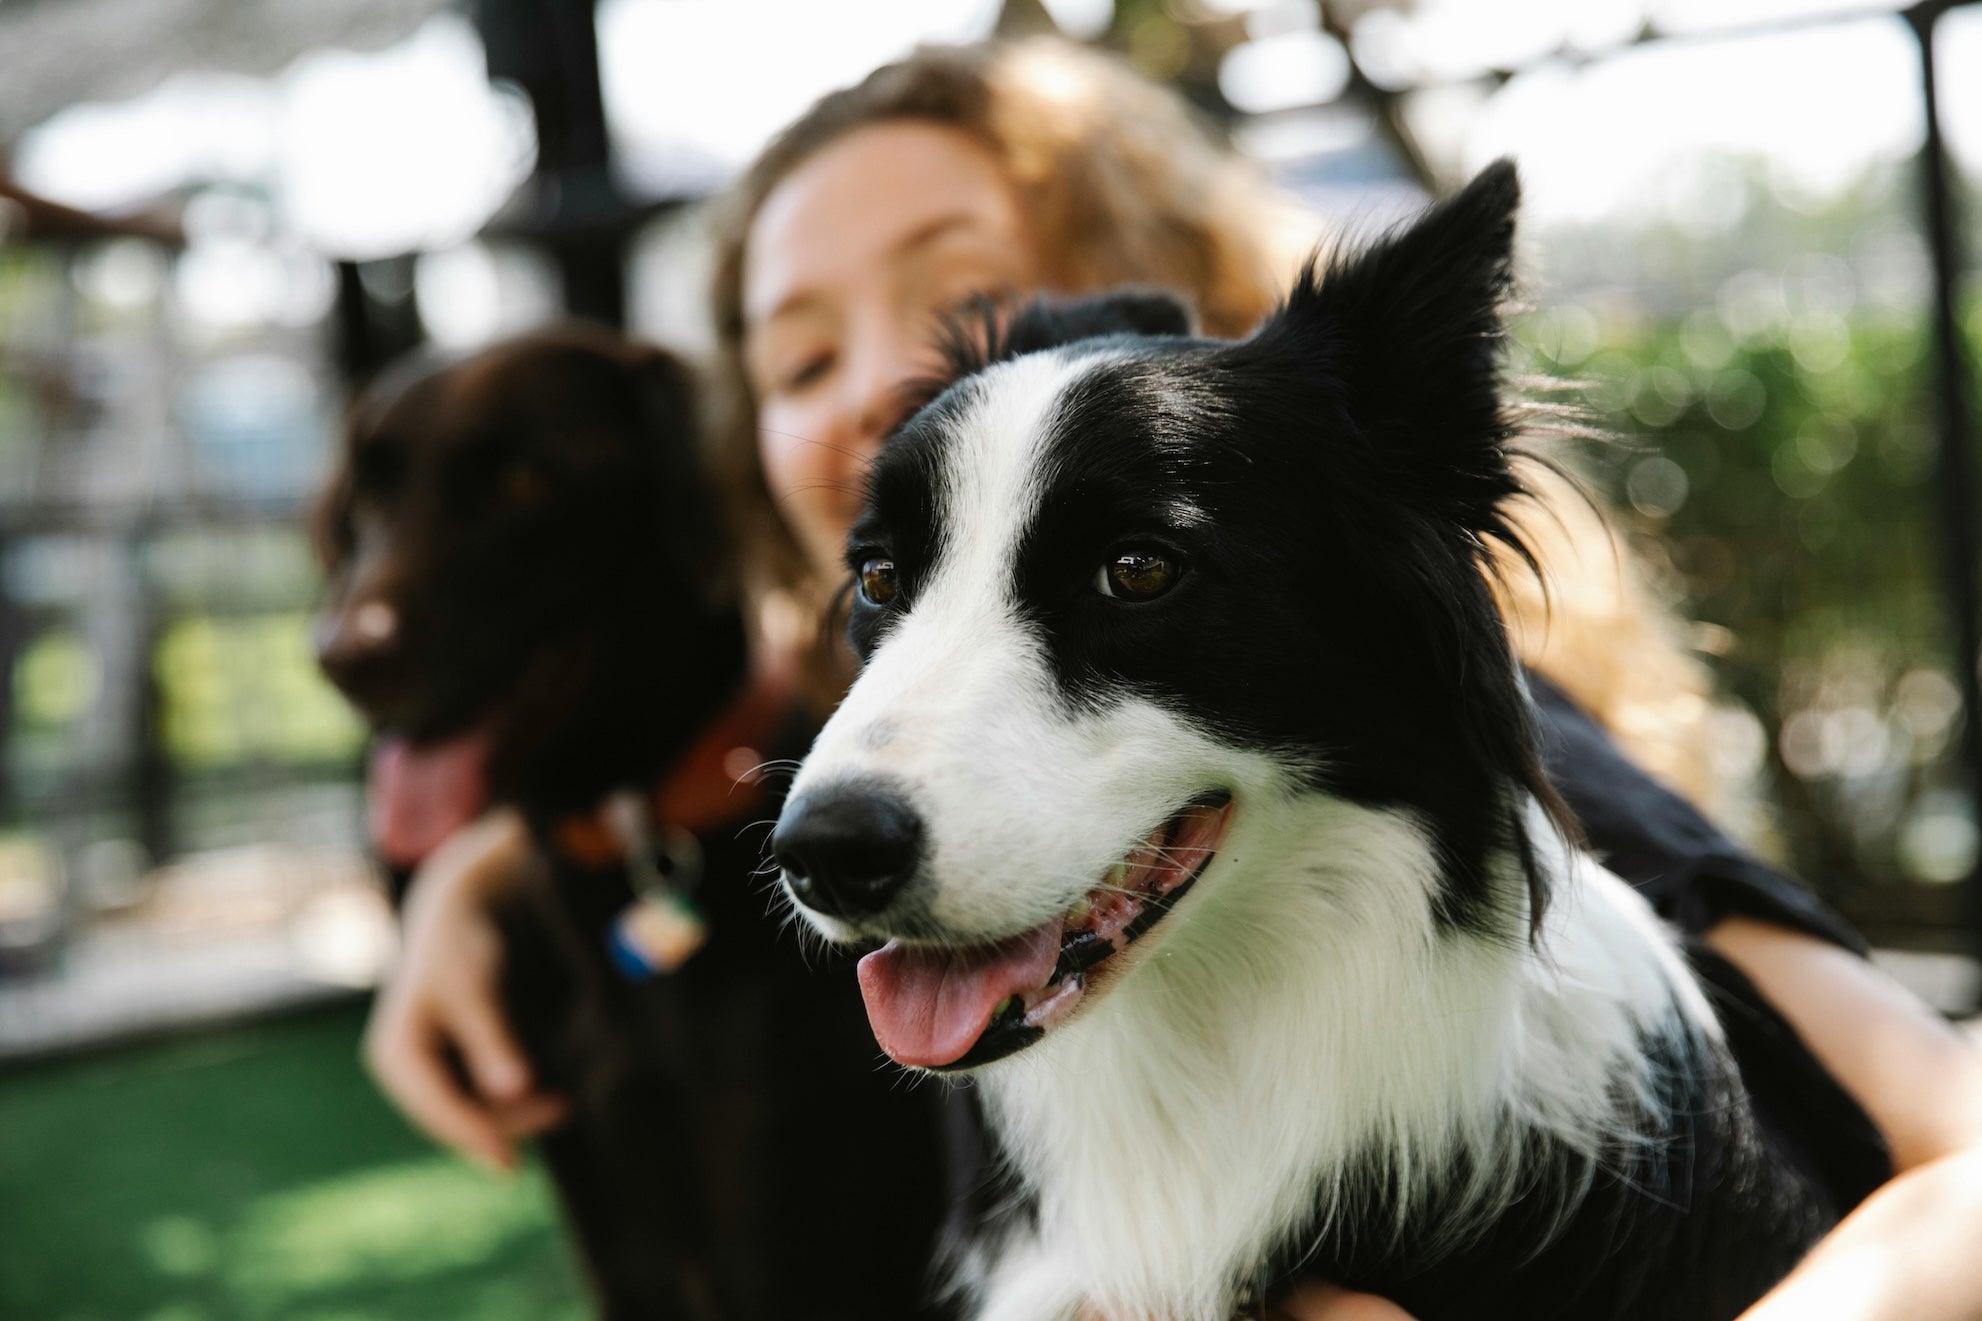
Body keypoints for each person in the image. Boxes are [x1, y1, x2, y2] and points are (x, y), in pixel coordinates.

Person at [366, 39, 1982, 1321]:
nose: (876, 380)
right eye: (795, 355)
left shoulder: (1482, 719)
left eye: (948, 301)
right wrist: (482, 866)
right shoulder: (884, 749)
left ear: (1143, 299)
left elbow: (1959, 1148)